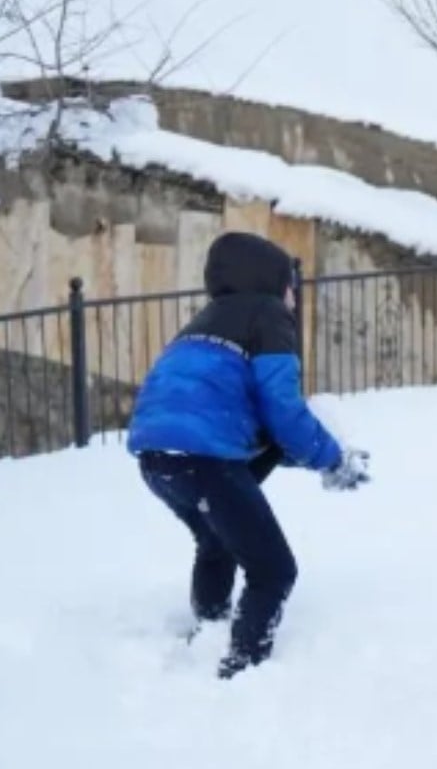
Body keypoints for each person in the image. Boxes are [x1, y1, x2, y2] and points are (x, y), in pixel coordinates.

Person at [127, 231, 371, 679]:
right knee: (274, 569)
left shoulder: (203, 321)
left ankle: (210, 629)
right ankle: (241, 668)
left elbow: (256, 427)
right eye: (291, 284)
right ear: (273, 282)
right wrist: (332, 459)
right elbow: (282, 408)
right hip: (205, 458)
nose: (295, 297)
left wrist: (313, 456)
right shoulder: (268, 315)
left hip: (157, 457)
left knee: (216, 541)